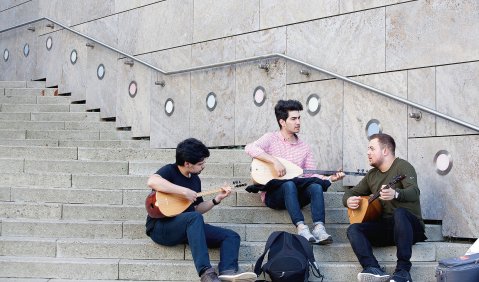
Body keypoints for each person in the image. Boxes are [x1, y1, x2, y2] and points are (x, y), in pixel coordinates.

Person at [146, 138, 256, 282]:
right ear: (187, 164)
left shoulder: (195, 180)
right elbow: (152, 181)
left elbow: (197, 209)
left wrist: (217, 199)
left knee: (231, 236)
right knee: (194, 218)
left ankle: (228, 270)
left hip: (186, 226)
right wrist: (184, 191)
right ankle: (206, 273)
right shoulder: (170, 171)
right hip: (161, 228)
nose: (203, 166)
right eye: (200, 164)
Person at [245, 99, 344, 245]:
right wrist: (274, 161)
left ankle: (319, 228)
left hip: (296, 196)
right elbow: (249, 148)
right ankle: (302, 228)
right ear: (282, 122)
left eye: (299, 118)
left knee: (315, 186)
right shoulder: (270, 138)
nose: (298, 122)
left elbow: (309, 175)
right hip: (274, 196)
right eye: (293, 119)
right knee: (288, 184)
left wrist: (329, 178)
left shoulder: (304, 147)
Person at [343, 133, 427, 282]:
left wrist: (396, 194)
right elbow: (351, 192)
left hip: (411, 228)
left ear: (385, 150)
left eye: (371, 148)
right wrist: (348, 200)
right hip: (388, 228)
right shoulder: (372, 175)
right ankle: (372, 268)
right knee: (353, 229)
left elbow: (415, 192)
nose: (368, 152)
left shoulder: (403, 167)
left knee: (400, 213)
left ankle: (403, 271)